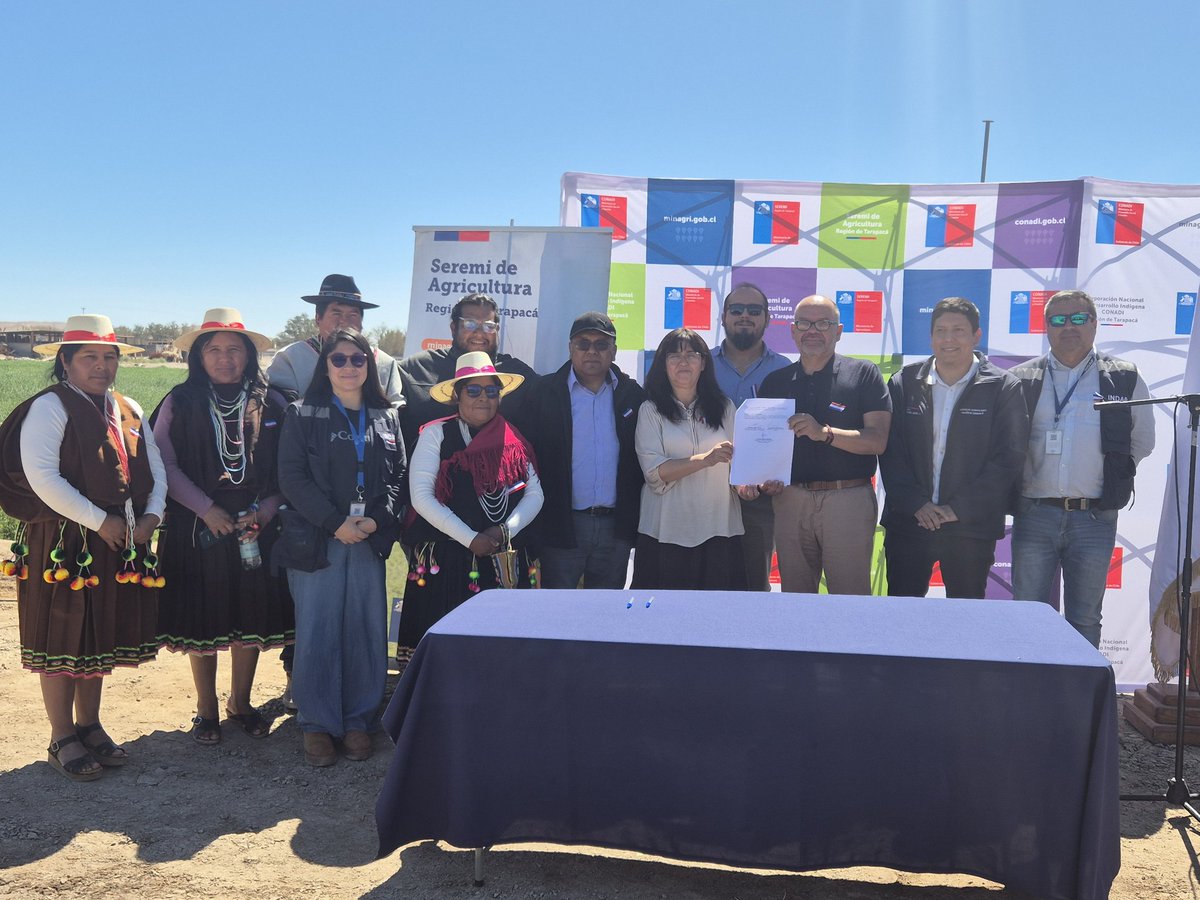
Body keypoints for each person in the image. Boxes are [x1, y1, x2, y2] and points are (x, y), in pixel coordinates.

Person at [0, 315, 166, 781]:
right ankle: (61, 736)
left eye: (109, 356)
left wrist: (152, 517)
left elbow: (155, 467)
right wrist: (101, 521)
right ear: (66, 362)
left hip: (118, 537)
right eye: (89, 356)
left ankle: (90, 725)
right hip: (63, 539)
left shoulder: (128, 408)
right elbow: (43, 477)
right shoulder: (49, 407)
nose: (101, 365)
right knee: (61, 633)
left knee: (98, 633)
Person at [151, 309, 294, 745]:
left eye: (234, 349)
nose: (224, 358)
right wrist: (206, 508)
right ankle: (206, 708)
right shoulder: (180, 400)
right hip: (197, 526)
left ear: (249, 355)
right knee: (203, 617)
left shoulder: (274, 402)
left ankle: (241, 703)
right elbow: (162, 462)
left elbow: (292, 468)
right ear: (199, 356)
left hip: (257, 526)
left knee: (249, 615)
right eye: (213, 349)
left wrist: (266, 510)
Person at [265, 273, 402, 709]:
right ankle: (317, 717)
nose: (348, 366)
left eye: (352, 314)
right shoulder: (291, 369)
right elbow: (292, 474)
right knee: (316, 626)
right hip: (318, 529)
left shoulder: (385, 383)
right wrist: (333, 521)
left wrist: (377, 519)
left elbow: (397, 472)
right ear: (318, 319)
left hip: (366, 532)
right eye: (338, 359)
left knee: (366, 627)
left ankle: (361, 716)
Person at [1011, 289, 1155, 647]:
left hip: (1094, 517)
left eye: (1078, 318)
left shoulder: (1124, 377)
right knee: (1025, 615)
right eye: (1058, 320)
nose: (1068, 327)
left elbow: (1143, 440)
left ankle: (1078, 685)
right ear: (1046, 327)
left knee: (1085, 618)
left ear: (1094, 323)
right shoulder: (1020, 378)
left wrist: (1115, 477)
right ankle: (1028, 682)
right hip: (1034, 514)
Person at [879, 298, 1029, 599]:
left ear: (976, 336)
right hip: (910, 523)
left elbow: (1008, 458)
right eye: (941, 331)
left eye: (958, 330)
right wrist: (917, 504)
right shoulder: (905, 382)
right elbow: (891, 451)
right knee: (901, 615)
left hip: (970, 527)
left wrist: (957, 509)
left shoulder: (1003, 386)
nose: (948, 339)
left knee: (966, 616)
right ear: (931, 336)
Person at [397, 351, 543, 647]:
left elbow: (535, 493)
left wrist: (503, 531)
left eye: (491, 391)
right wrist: (470, 538)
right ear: (457, 396)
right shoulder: (435, 434)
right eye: (473, 390)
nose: (483, 398)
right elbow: (421, 497)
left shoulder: (513, 438)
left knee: (499, 643)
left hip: (502, 557)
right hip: (446, 559)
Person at [758, 295, 891, 596]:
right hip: (791, 501)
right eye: (804, 323)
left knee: (850, 599)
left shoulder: (863, 374)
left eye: (823, 324)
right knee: (795, 598)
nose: (812, 331)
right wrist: (765, 479)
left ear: (839, 331)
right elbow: (765, 447)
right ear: (793, 331)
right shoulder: (775, 381)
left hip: (847, 500)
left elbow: (877, 440)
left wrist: (824, 433)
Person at [511, 312, 645, 589]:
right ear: (570, 348)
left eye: (601, 344)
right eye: (583, 343)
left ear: (614, 351)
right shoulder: (542, 393)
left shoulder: (633, 395)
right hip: (561, 524)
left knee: (605, 610)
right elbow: (523, 457)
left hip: (615, 526)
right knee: (557, 609)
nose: (592, 351)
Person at [631, 328, 745, 590]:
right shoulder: (650, 410)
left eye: (691, 355)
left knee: (717, 610)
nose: (683, 362)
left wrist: (748, 485)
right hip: (665, 531)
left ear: (703, 363)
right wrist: (705, 459)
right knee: (664, 611)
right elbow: (654, 473)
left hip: (718, 528)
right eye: (674, 356)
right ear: (663, 364)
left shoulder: (725, 407)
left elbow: (739, 466)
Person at [711, 284, 790, 590]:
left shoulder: (785, 370)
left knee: (753, 586)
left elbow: (790, 437)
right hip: (705, 491)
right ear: (723, 317)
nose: (745, 316)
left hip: (761, 498)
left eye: (754, 311)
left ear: (767, 319)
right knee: (702, 582)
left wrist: (776, 476)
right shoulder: (700, 365)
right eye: (737, 310)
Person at [396, 292, 538, 454]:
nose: (479, 333)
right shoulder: (415, 369)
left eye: (489, 326)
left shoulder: (520, 375)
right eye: (470, 324)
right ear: (453, 328)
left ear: (497, 330)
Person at [267, 273, 404, 407]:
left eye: (353, 315)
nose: (344, 321)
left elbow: (396, 412)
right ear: (318, 319)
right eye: (336, 313)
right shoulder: (290, 359)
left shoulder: (384, 363)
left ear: (361, 322)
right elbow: (278, 409)